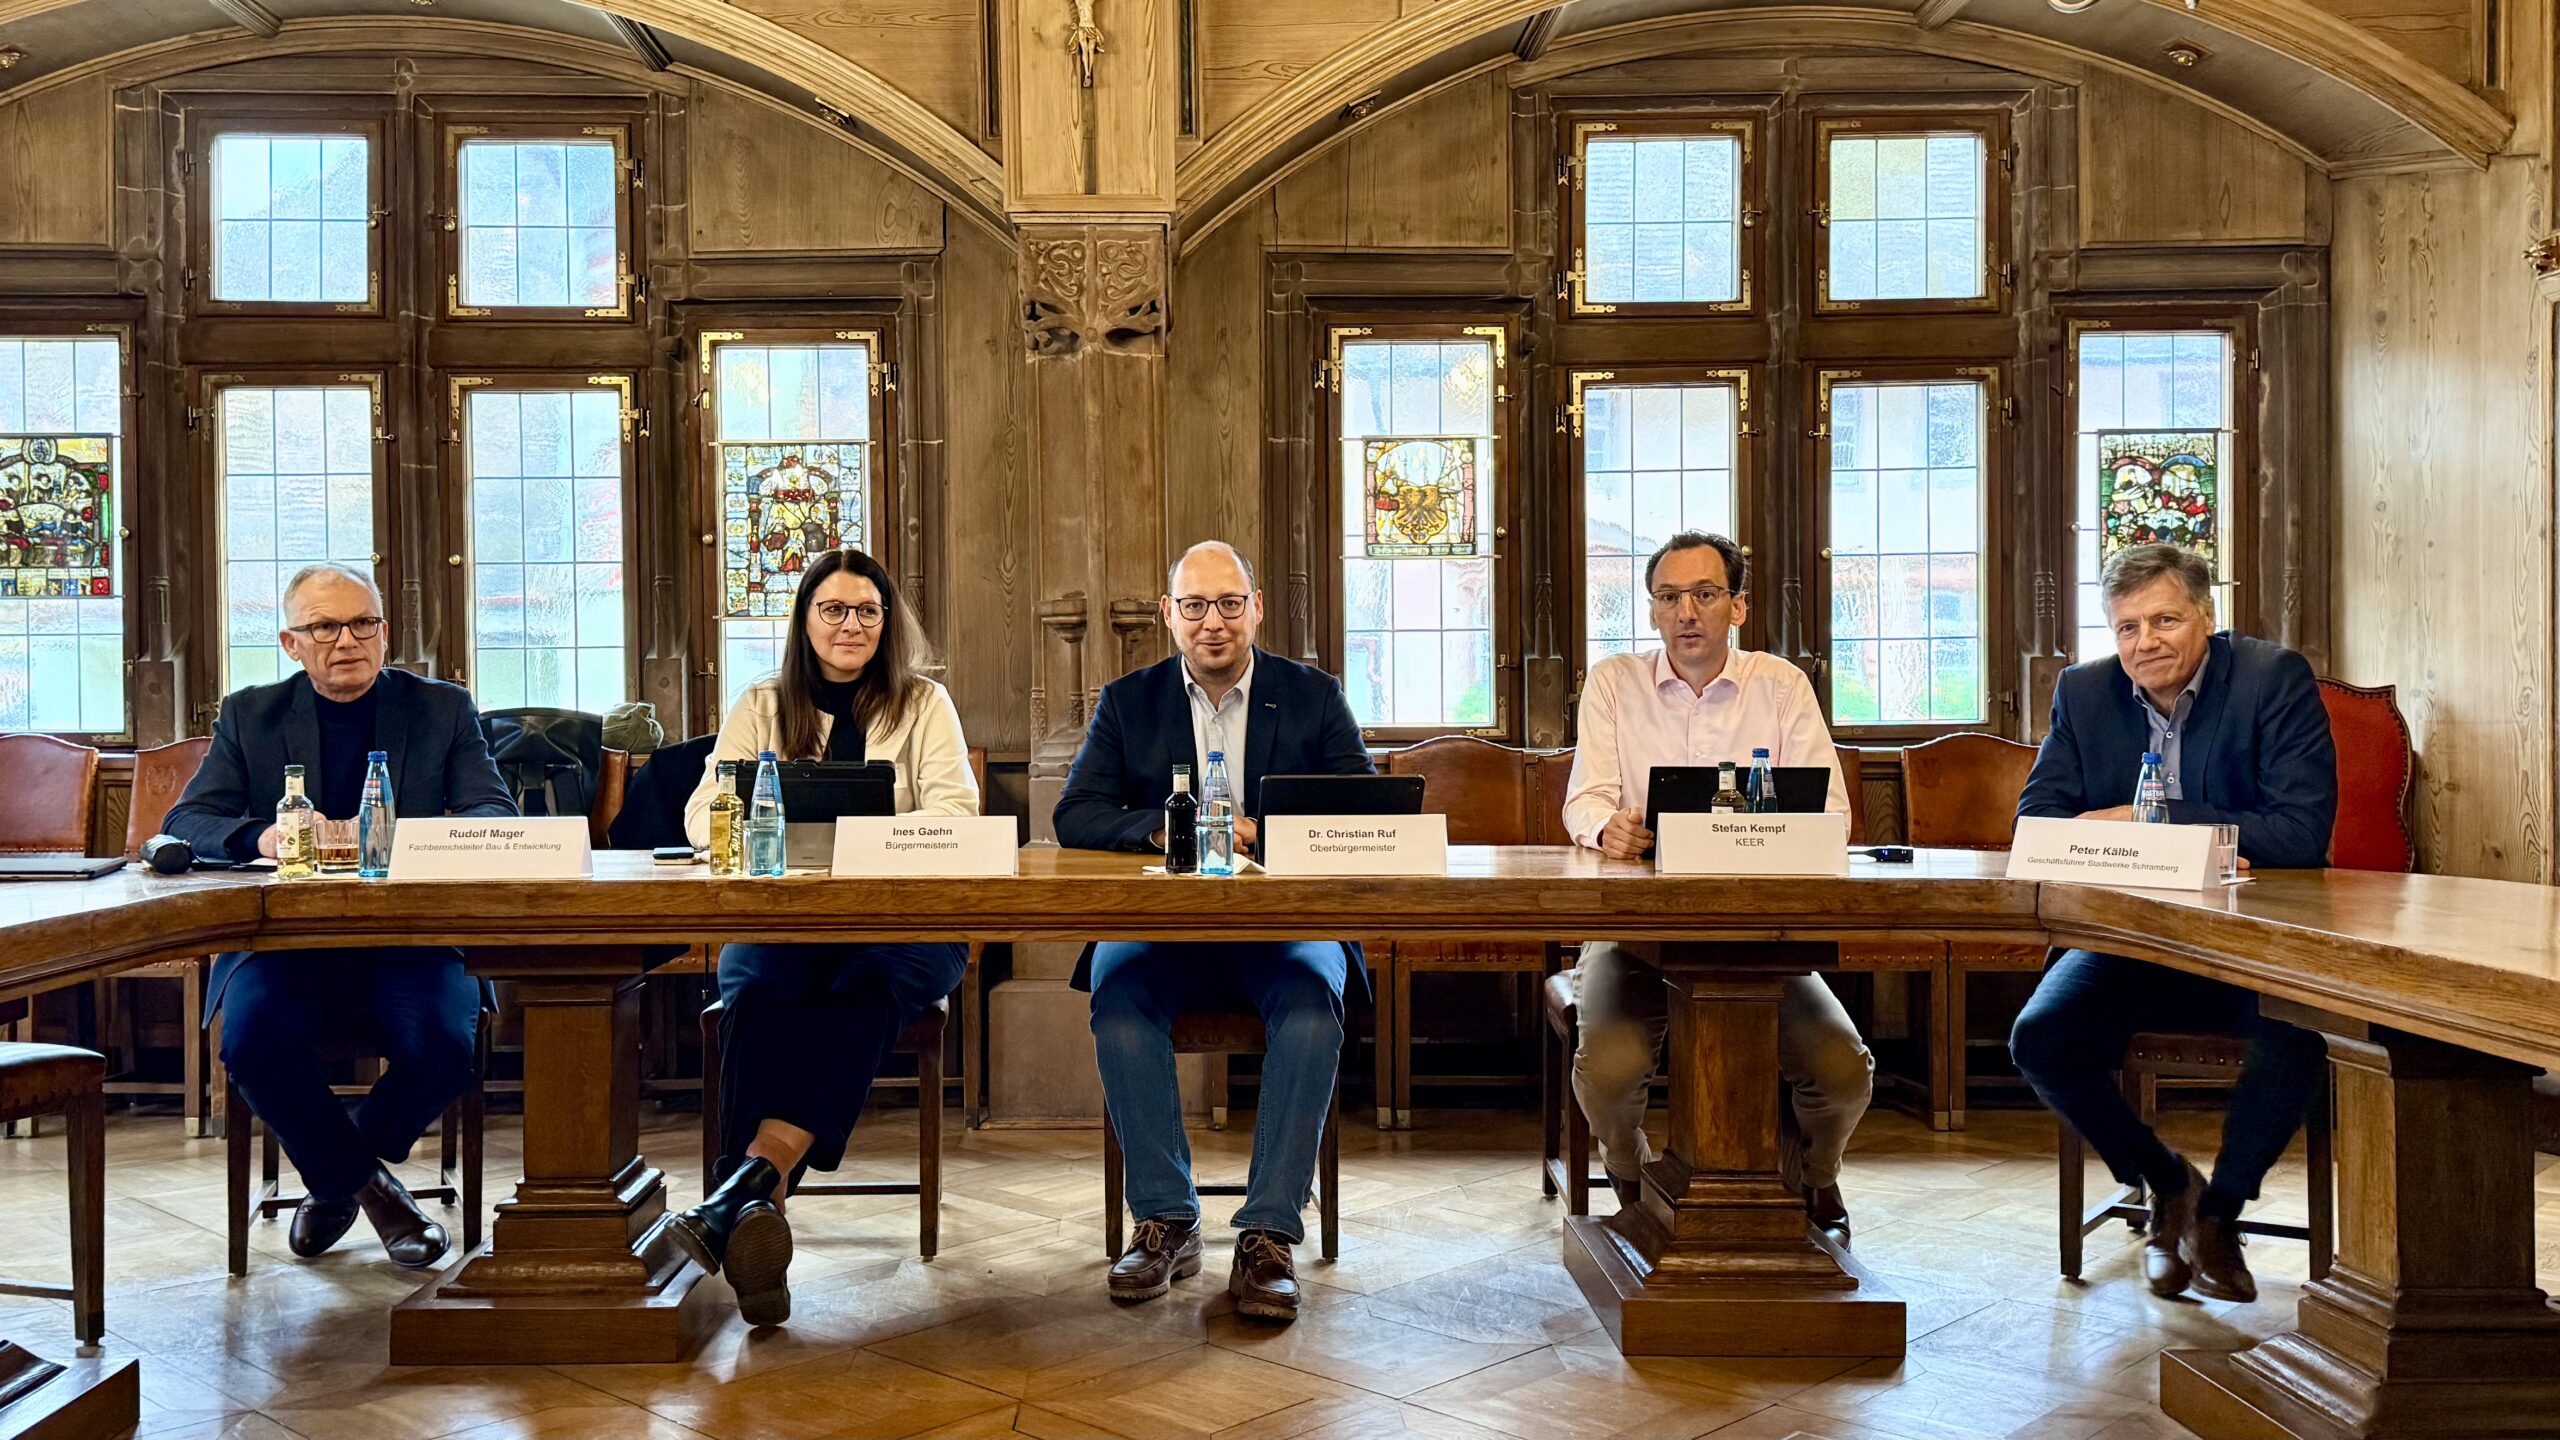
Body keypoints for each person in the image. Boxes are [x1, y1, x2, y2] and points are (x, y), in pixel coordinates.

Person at [657, 548, 979, 1328]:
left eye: (867, 611)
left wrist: (867, 842)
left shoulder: (924, 703)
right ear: (805, 620)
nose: (850, 625)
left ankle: (740, 1189)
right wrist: (769, 826)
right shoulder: (762, 703)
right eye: (833, 609)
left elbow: (957, 814)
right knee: (756, 991)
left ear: (887, 623)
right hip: (784, 920)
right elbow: (702, 815)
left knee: (863, 988)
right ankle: (753, 1211)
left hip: (907, 925)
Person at [163, 562, 515, 1270]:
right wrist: (263, 836)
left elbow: (493, 811)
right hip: (287, 943)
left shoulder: (441, 707)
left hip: (411, 937)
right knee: (251, 1042)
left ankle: (336, 1180)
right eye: (324, 627)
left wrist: (410, 836)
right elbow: (188, 821)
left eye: (362, 623)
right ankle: (376, 1194)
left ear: (385, 634)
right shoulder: (251, 713)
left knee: (445, 1048)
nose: (346, 640)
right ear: (292, 643)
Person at [1054, 540, 1371, 1323]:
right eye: (1194, 605)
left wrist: (1269, 833)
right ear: (1169, 615)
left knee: (1312, 1005)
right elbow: (1075, 814)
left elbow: (1364, 808)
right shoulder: (1128, 702)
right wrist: (1165, 830)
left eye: (1230, 603)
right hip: (1163, 930)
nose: (1213, 622)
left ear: (1256, 608)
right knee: (1116, 997)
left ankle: (1269, 1235)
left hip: (1283, 929)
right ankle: (1167, 1221)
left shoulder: (1313, 696)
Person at [2011, 543, 2336, 1303]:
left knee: (2298, 1036)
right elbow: (2037, 822)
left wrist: (2149, 820)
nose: (2145, 643)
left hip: (2248, 941)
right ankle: (2168, 1185)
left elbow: (2299, 835)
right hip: (2130, 943)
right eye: (2127, 627)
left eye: (2165, 620)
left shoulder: (2271, 678)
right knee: (2040, 1037)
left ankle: (2220, 1214)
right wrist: (2212, 834)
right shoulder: (2084, 693)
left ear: (2207, 616)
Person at [1561, 531, 1872, 1243]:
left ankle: (1812, 1175)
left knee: (1842, 1071)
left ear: (1738, 607)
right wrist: (1608, 828)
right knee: (1608, 1070)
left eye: (1705, 594)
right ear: (1652, 611)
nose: (1686, 612)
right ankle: (1634, 1175)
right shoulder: (1613, 682)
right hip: (1634, 933)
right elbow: (1585, 800)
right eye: (1669, 597)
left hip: (1759, 939)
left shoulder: (1780, 684)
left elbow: (1832, 815)